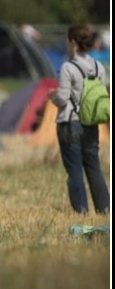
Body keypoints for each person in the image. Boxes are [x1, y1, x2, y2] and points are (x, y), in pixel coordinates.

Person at [48, 24, 110, 215]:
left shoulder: (68, 67)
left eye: (68, 40)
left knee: (74, 169)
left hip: (71, 122)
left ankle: (81, 211)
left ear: (73, 43)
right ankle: (105, 208)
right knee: (93, 167)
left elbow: (63, 98)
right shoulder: (98, 67)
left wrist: (53, 95)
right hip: (91, 122)